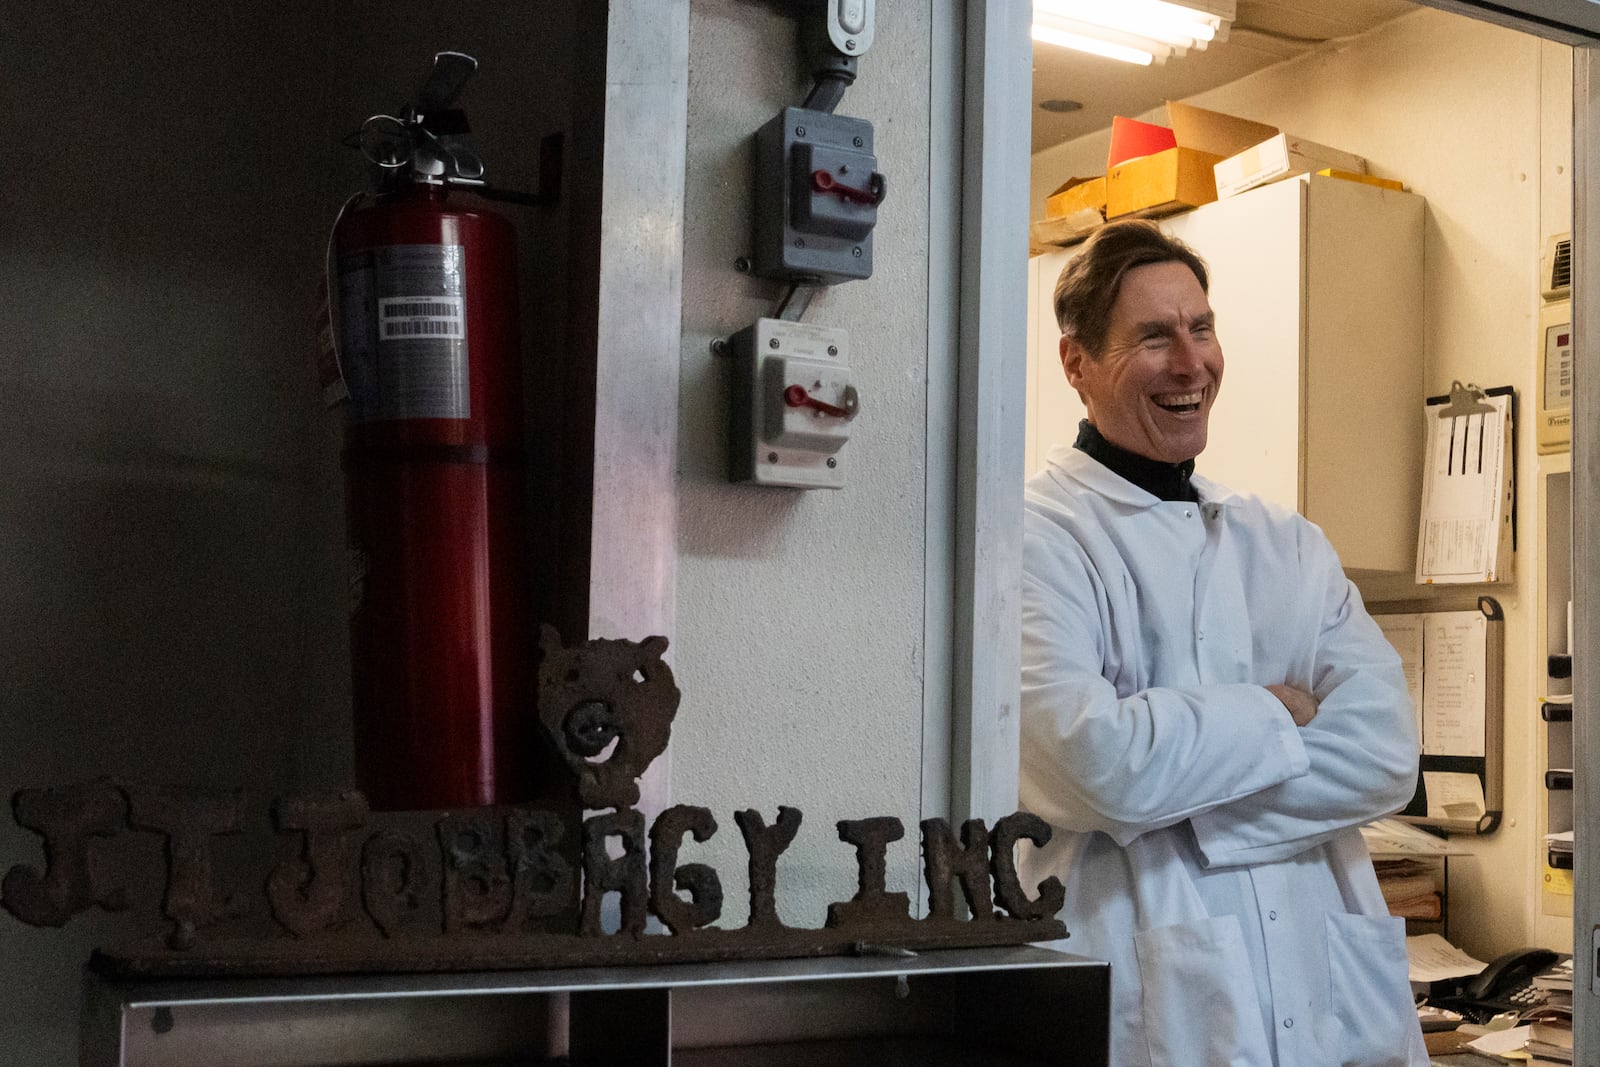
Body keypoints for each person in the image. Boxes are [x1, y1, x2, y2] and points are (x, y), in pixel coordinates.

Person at [1019, 219, 1426, 1066]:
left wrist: (1164, 800)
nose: (1190, 361)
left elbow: (1387, 750)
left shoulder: (1285, 543)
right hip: (1150, 1007)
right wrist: (1275, 713)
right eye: (1154, 336)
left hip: (1326, 1004)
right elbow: (1095, 761)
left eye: (1201, 328)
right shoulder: (1034, 538)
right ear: (1076, 363)